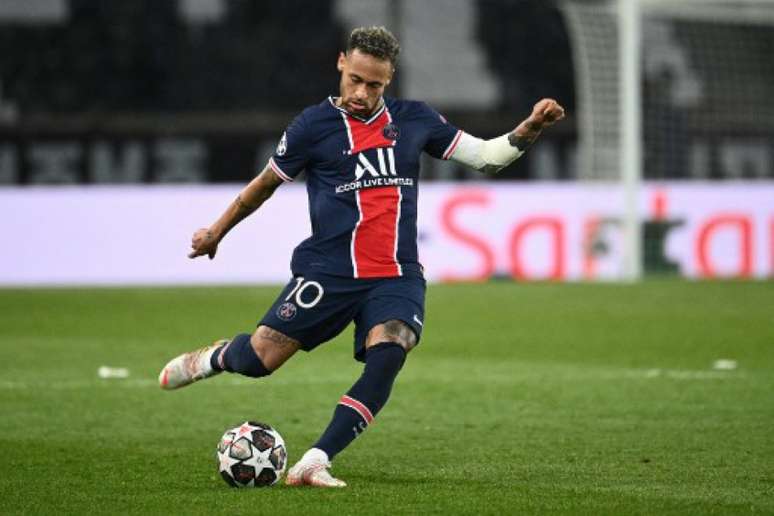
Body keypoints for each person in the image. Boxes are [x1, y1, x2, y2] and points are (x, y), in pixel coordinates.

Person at [159, 26, 564, 488]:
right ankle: (210, 359)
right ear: (340, 64)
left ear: (389, 80)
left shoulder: (415, 120)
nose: (361, 92)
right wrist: (217, 231)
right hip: (328, 273)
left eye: (374, 84)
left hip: (396, 275)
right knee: (260, 360)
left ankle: (316, 459)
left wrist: (531, 127)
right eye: (355, 79)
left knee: (391, 350)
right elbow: (265, 185)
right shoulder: (312, 126)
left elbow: (489, 158)